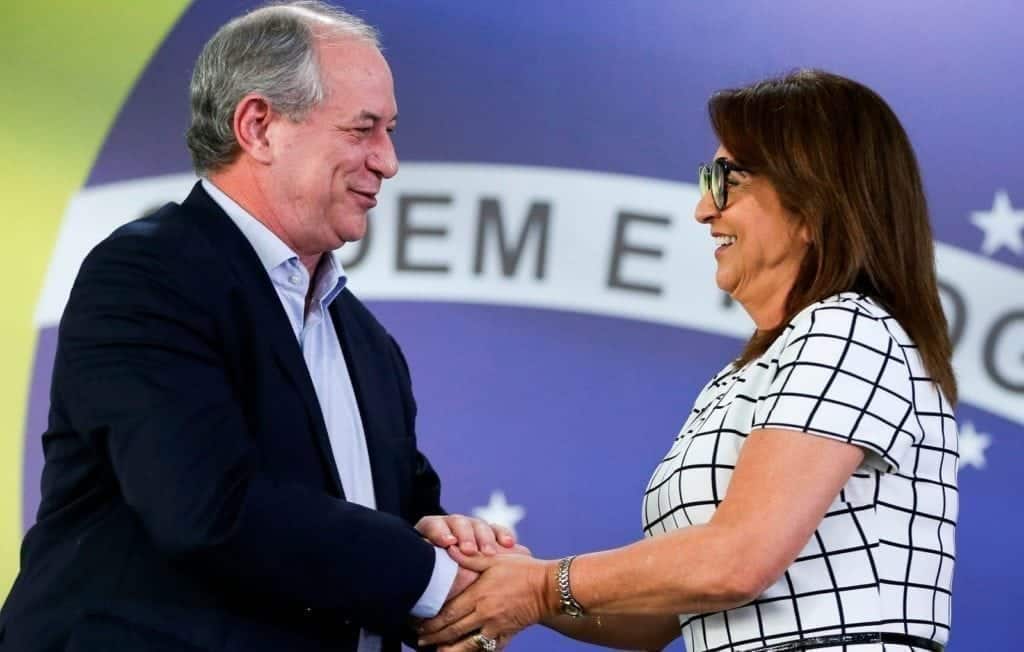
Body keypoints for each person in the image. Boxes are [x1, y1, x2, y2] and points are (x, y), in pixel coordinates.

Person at [0, 3, 518, 651]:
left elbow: (388, 518)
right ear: (259, 127)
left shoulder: (365, 341)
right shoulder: (149, 274)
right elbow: (208, 508)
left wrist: (444, 537)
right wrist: (439, 579)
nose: (387, 161)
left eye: (388, 132)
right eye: (362, 130)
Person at [417, 70, 958, 652]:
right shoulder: (748, 374)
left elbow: (737, 561)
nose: (704, 209)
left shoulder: (848, 329)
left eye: (727, 181)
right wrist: (513, 582)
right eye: (707, 180)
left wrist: (544, 586)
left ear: (813, 205)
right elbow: (664, 617)